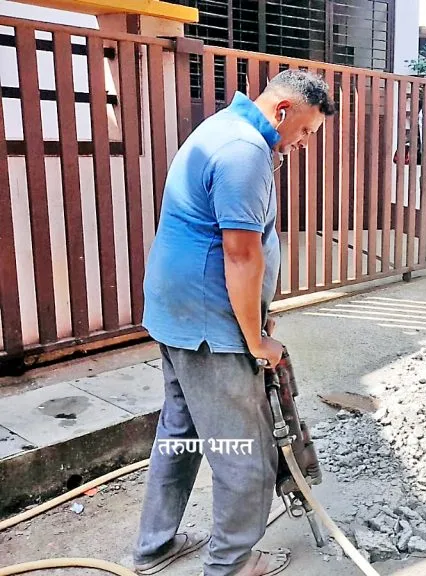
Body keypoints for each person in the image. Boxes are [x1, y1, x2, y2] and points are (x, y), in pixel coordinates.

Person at [135, 70, 335, 576]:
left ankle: (155, 546)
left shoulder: (223, 128)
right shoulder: (245, 152)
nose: (305, 143)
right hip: (209, 321)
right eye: (307, 131)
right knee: (246, 449)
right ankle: (231, 564)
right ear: (284, 110)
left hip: (176, 311)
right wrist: (256, 340)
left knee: (180, 434)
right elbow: (242, 257)